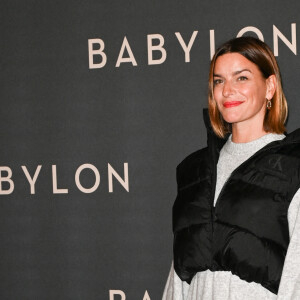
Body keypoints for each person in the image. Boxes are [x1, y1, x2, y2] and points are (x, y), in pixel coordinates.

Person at [162, 36, 300, 300]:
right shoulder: (196, 170)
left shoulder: (294, 164)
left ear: (269, 87)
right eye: (219, 80)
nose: (227, 90)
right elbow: (179, 276)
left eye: (242, 78)